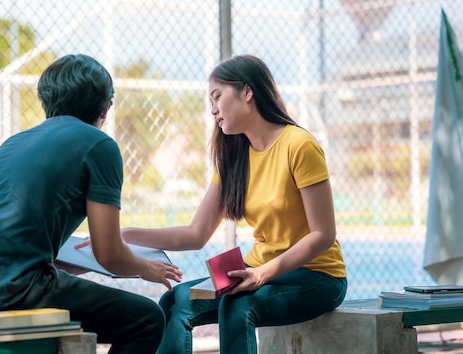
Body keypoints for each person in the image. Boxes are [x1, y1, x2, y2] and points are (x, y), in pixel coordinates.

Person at [0, 53, 182, 354]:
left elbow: (5, 236)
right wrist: (146, 269)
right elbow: (110, 254)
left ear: (46, 101)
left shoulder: (15, 142)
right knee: (147, 318)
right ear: (105, 108)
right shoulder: (100, 146)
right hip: (1, 293)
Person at [116, 55, 347, 353]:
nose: (212, 109)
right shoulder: (235, 158)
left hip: (318, 275)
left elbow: (323, 234)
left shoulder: (299, 145)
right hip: (258, 268)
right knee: (174, 302)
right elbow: (195, 234)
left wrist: (261, 274)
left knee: (237, 304)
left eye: (217, 96)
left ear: (247, 92)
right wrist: (123, 234)